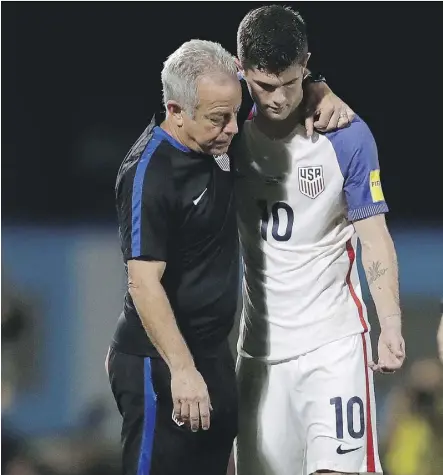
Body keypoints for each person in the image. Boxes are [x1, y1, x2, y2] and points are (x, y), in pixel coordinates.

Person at [107, 38, 352, 475]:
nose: (234, 128)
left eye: (236, 113)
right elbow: (143, 283)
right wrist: (182, 371)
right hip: (158, 362)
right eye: (219, 119)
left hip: (215, 355)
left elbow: (275, 84)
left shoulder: (216, 140)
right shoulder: (151, 173)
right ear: (176, 110)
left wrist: (319, 88)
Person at [233, 6, 406, 475]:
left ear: (307, 62)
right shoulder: (227, 135)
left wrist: (389, 321)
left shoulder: (346, 136)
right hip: (259, 358)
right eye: (265, 85)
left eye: (290, 83)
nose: (278, 98)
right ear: (240, 69)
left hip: (334, 347)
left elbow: (375, 237)